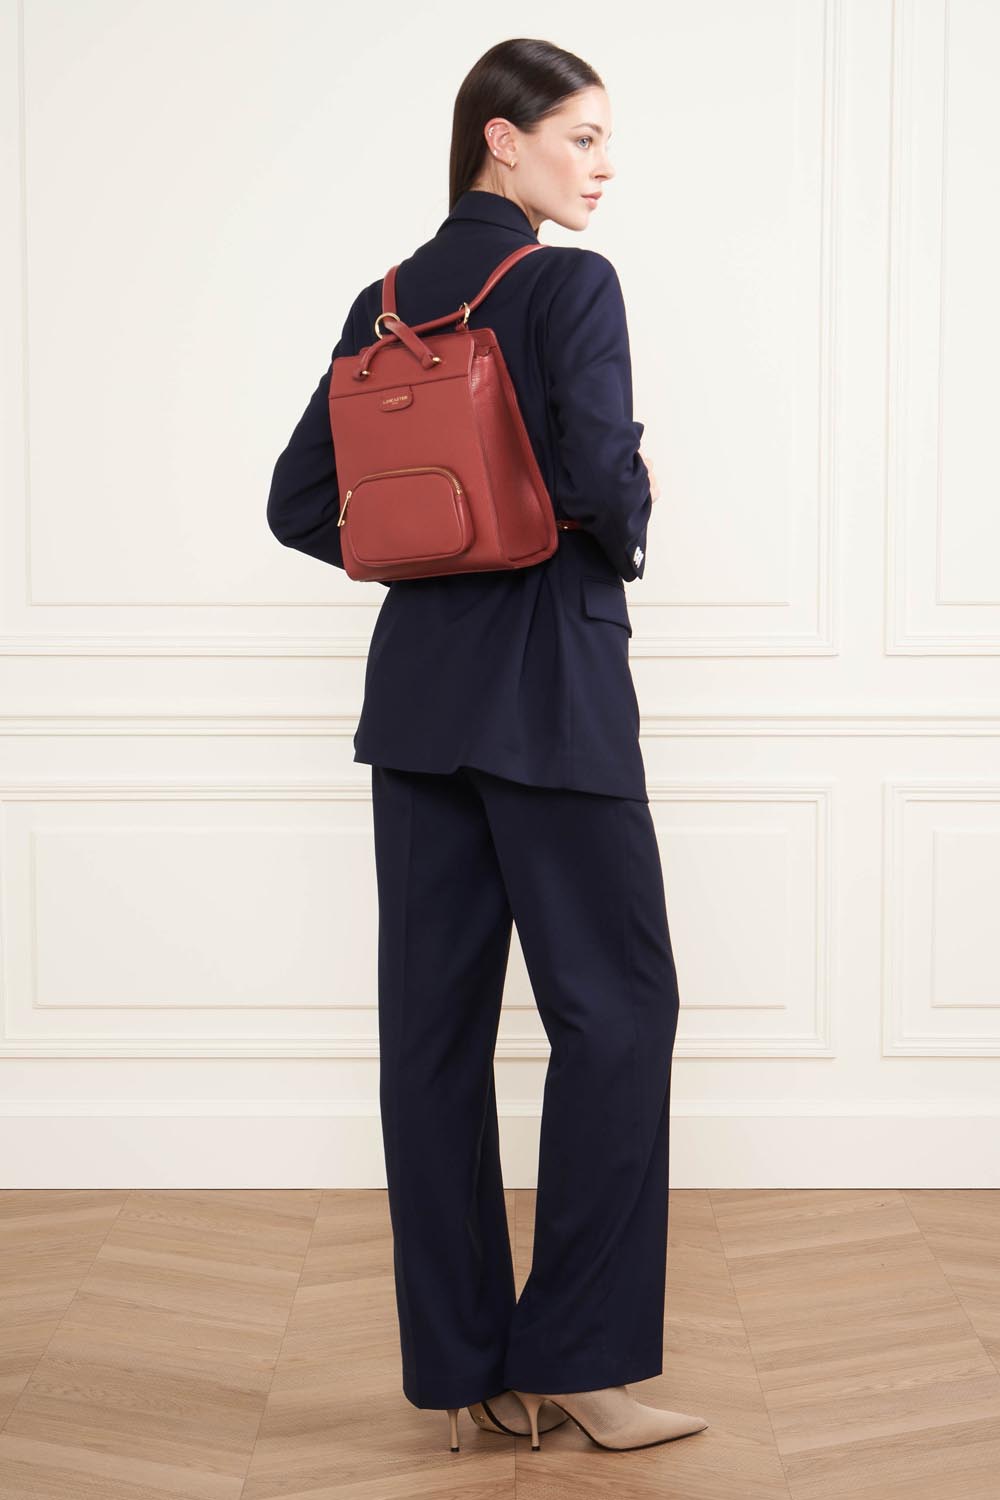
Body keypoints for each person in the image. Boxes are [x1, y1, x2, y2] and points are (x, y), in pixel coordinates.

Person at [267, 36, 709, 1457]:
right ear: (500, 141)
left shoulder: (387, 301)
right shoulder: (571, 284)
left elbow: (298, 502)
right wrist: (629, 499)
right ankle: (581, 1361)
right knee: (617, 1011)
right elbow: (597, 480)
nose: (604, 166)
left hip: (416, 708)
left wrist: (434, 539)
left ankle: (466, 1369)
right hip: (553, 697)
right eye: (583, 137)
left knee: (433, 1037)